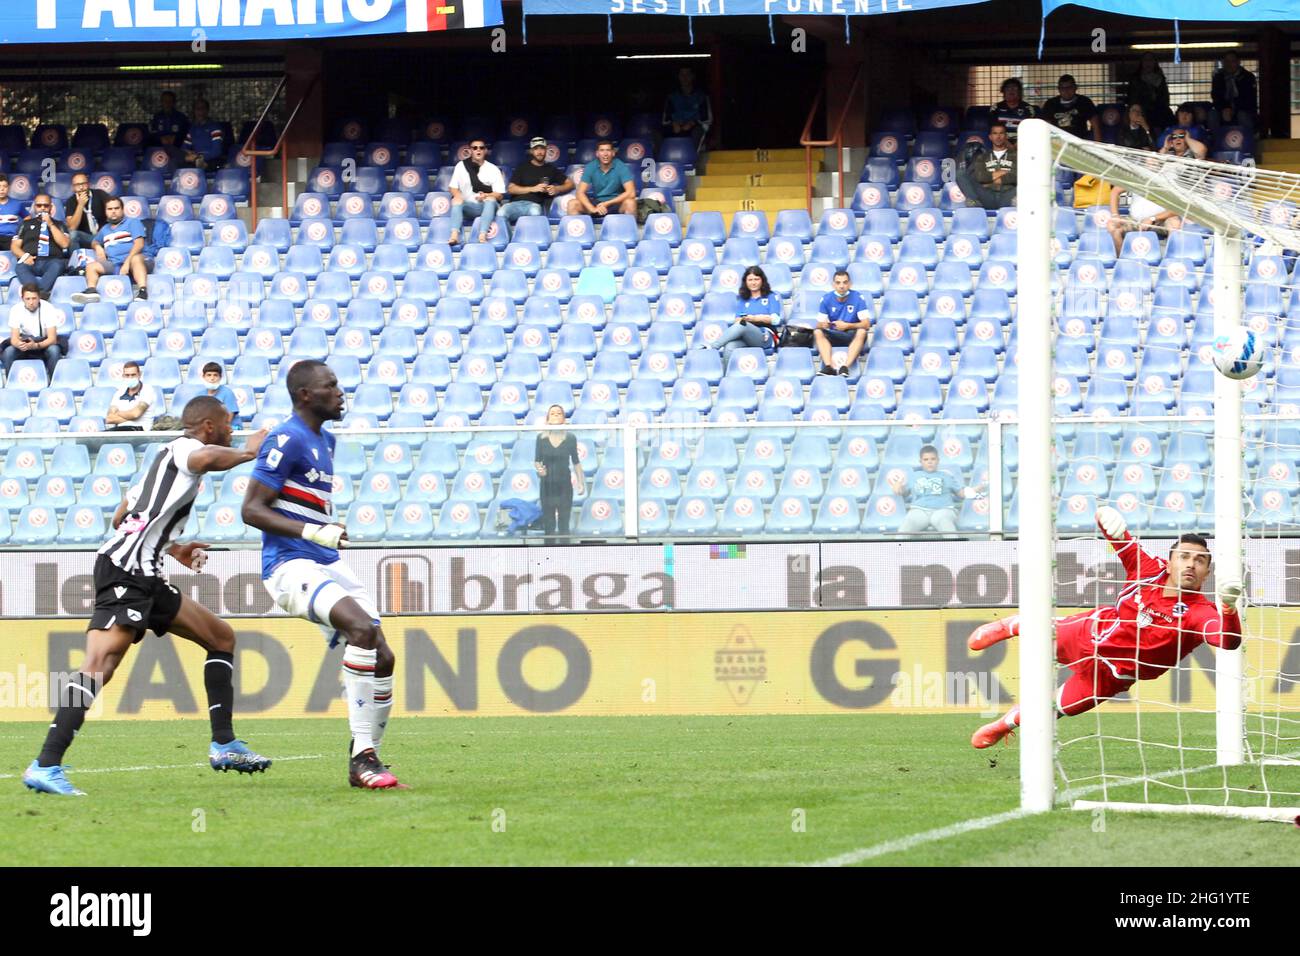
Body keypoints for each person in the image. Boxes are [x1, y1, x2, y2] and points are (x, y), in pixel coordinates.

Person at [21, 396, 272, 796]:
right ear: (208, 426)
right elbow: (205, 457)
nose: (232, 427)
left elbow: (124, 516)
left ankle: (224, 744)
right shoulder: (188, 448)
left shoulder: (161, 462)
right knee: (100, 663)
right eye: (228, 422)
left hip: (147, 575)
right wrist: (246, 453)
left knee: (221, 637)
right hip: (126, 571)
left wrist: (173, 548)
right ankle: (45, 764)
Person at [240, 359, 407, 790]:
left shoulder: (325, 441)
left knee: (383, 656)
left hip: (324, 561)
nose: (339, 392)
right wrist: (316, 530)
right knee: (360, 630)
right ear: (305, 395)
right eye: (330, 385)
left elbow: (303, 506)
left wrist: (325, 529)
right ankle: (363, 758)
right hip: (288, 565)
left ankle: (365, 754)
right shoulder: (285, 438)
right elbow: (252, 510)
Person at [967, 506, 1243, 749]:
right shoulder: (1147, 569)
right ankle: (1008, 626)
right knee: (1042, 633)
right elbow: (1116, 535)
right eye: (1184, 557)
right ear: (1170, 561)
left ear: (1207, 573)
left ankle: (1003, 725)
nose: (1191, 564)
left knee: (1056, 708)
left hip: (1112, 676)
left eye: (1200, 561)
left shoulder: (1200, 612)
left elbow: (1227, 641)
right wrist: (1106, 515)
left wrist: (1229, 610)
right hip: (1090, 634)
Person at [701, 266, 783, 370]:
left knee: (742, 324)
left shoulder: (771, 296)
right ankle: (728, 378)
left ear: (762, 280)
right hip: (746, 336)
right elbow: (737, 320)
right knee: (729, 347)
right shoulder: (743, 299)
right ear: (746, 282)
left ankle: (713, 347)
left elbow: (776, 320)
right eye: (750, 280)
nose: (753, 283)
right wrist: (745, 320)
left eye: (756, 279)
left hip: (765, 335)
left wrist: (755, 318)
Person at [889, 445, 982, 535]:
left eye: (933, 459)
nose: (930, 462)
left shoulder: (946, 476)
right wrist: (897, 487)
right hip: (919, 510)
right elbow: (903, 493)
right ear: (920, 461)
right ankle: (898, 550)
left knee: (945, 524)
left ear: (938, 460)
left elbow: (961, 494)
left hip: (943, 510)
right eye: (926, 459)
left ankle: (954, 549)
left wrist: (976, 489)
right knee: (906, 526)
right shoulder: (914, 476)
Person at [70, 197, 148, 304]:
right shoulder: (105, 229)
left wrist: (127, 262)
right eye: (110, 209)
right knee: (91, 266)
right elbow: (94, 241)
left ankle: (143, 291)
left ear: (122, 209)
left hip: (137, 260)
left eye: (116, 208)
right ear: (106, 211)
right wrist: (98, 247)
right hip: (115, 263)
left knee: (136, 258)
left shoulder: (132, 222)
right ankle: (92, 291)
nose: (113, 211)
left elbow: (139, 244)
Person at [534, 403, 584, 543]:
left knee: (564, 523)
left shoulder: (570, 438)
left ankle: (565, 556)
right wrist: (540, 470)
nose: (556, 415)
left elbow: (576, 462)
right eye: (553, 413)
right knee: (549, 524)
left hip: (564, 486)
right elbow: (537, 461)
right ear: (548, 419)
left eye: (559, 413)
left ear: (563, 419)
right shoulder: (541, 438)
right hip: (547, 486)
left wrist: (581, 482)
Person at [501, 136, 573, 227]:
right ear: (531, 151)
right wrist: (533, 188)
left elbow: (570, 184)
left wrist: (557, 188)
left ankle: (530, 240)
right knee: (501, 213)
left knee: (535, 213)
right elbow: (511, 189)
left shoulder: (550, 169)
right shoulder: (522, 167)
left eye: (542, 149)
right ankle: (510, 239)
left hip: (534, 205)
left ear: (546, 150)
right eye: (536, 149)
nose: (539, 152)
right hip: (515, 204)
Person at [446, 138, 506, 246]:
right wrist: (458, 195)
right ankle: (454, 236)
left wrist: (487, 195)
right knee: (456, 200)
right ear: (470, 151)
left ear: (485, 151)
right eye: (475, 148)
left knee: (490, 200)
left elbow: (500, 195)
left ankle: (482, 234)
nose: (478, 150)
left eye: (481, 148)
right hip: (469, 206)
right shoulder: (461, 166)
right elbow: (452, 187)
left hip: (487, 206)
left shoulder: (493, 169)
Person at [10, 194, 70, 299]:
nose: (42, 208)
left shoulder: (59, 224)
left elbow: (65, 244)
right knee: (20, 267)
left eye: (46, 205)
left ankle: (36, 294)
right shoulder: (25, 224)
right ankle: (41, 294)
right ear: (34, 207)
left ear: (51, 207)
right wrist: (25, 256)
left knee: (58, 265)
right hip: (30, 261)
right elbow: (14, 246)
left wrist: (50, 224)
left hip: (51, 261)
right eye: (39, 205)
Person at [814, 269, 870, 376]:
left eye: (845, 282)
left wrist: (847, 325)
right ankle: (828, 367)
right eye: (838, 283)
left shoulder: (858, 298)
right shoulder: (826, 299)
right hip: (834, 333)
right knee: (818, 332)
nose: (841, 286)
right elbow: (819, 324)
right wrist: (824, 324)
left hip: (851, 334)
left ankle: (845, 367)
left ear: (850, 284)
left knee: (862, 331)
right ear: (833, 284)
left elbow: (867, 324)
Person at [4, 283, 62, 378]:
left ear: (39, 298)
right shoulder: (15, 309)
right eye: (28, 299)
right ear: (22, 298)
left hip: (43, 343)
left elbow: (52, 339)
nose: (31, 302)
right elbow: (14, 339)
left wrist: (36, 345)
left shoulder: (49, 308)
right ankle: (11, 383)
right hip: (25, 344)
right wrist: (20, 344)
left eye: (34, 298)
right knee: (9, 352)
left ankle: (54, 381)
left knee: (54, 350)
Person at [567, 140, 636, 220]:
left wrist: (607, 203)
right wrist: (592, 209)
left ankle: (628, 232)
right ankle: (577, 231)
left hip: (616, 203)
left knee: (630, 203)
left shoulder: (621, 166)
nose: (605, 154)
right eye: (602, 150)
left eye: (608, 150)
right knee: (572, 204)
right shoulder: (591, 166)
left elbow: (631, 193)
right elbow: (580, 193)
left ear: (613, 153)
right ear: (597, 154)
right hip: (597, 203)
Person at [957, 122, 1016, 210]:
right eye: (995, 133)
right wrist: (1003, 172)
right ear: (990, 137)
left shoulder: (1015, 156)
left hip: (1008, 195)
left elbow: (1015, 177)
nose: (998, 137)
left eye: (1001, 133)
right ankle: (975, 203)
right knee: (960, 173)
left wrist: (990, 179)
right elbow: (981, 177)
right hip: (986, 196)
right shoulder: (982, 156)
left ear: (1006, 136)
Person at [662, 66, 712, 152]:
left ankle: (692, 160)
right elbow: (665, 120)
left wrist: (692, 123)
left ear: (692, 76)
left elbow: (707, 119)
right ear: (678, 77)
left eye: (688, 74)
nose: (685, 78)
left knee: (697, 132)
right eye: (682, 74)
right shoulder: (672, 97)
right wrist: (674, 123)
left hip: (694, 129)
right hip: (676, 129)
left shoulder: (701, 96)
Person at [1041, 74, 1102, 142]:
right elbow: (1045, 126)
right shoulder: (1051, 104)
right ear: (1058, 89)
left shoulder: (1084, 102)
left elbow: (1095, 124)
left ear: (1075, 87)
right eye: (1062, 88)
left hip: (1079, 142)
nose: (1066, 91)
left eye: (1069, 87)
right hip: (1057, 142)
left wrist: (1098, 144)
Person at [63, 173, 113, 251]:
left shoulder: (100, 194)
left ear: (88, 184)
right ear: (73, 187)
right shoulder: (71, 201)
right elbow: (72, 227)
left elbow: (113, 207)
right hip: (86, 238)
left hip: (103, 235)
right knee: (73, 234)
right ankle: (76, 261)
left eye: (83, 184)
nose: (81, 187)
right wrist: (80, 205)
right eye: (77, 185)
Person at [1125, 53, 1173, 133]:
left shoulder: (1160, 79)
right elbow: (1131, 98)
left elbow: (1165, 98)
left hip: (1158, 113)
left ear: (1155, 63)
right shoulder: (1135, 79)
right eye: (1145, 60)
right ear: (1142, 63)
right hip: (1141, 111)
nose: (1148, 63)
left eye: (1150, 60)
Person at [105, 360, 158, 431]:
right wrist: (131, 416)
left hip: (140, 430)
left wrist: (117, 413)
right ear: (123, 376)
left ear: (139, 374)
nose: (130, 378)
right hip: (120, 431)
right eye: (127, 375)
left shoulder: (147, 390)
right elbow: (109, 419)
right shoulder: (119, 392)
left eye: (133, 375)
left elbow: (135, 414)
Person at [1211, 52, 1258, 132]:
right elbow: (1215, 96)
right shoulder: (1218, 77)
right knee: (1213, 114)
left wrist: (1233, 110)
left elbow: (1249, 99)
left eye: (1232, 61)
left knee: (1242, 115)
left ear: (1238, 62)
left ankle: (1249, 139)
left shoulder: (1248, 77)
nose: (1229, 64)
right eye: (1226, 61)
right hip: (1224, 111)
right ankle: (1216, 140)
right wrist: (1224, 108)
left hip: (1243, 110)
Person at [182, 98, 227, 169]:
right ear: (194, 111)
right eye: (197, 109)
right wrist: (189, 155)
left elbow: (217, 151)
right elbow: (184, 148)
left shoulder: (215, 128)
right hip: (195, 161)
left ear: (207, 110)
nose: (200, 112)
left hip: (211, 161)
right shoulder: (192, 129)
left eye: (203, 108)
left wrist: (199, 157)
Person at [0, 175, 26, 244]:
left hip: (11, 238)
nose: (2, 189)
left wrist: (21, 231)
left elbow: (27, 217)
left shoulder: (17, 204)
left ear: (9, 187)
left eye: (4, 186)